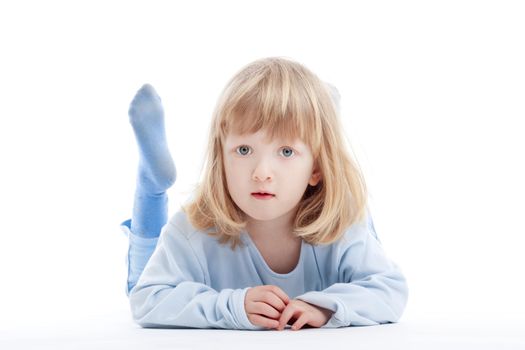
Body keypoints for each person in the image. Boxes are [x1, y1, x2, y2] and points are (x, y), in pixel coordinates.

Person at [120, 57, 408, 331]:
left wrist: (326, 308)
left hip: (328, 196)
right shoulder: (193, 227)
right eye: (243, 150)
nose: (261, 173)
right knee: (138, 279)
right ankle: (151, 187)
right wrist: (233, 306)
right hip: (173, 247)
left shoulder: (342, 226)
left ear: (315, 170)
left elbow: (390, 289)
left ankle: (322, 121)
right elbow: (145, 299)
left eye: (285, 151)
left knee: (347, 203)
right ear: (222, 158)